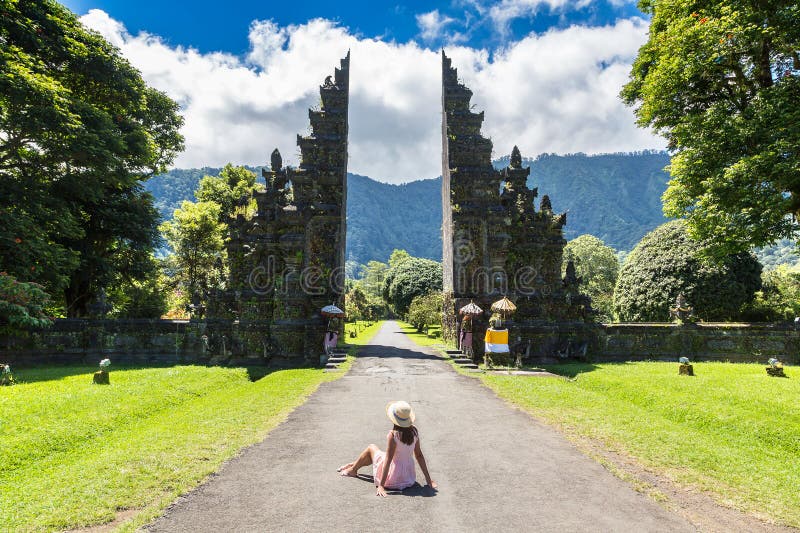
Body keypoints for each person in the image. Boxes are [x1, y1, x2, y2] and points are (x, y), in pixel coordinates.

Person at [337, 401, 437, 497]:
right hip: (408, 478)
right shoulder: (414, 431)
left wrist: (381, 485)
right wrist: (428, 480)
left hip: (393, 478)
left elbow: (388, 461)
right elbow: (419, 455)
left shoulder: (393, 435)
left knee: (371, 448)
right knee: (379, 455)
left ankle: (353, 469)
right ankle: (353, 465)